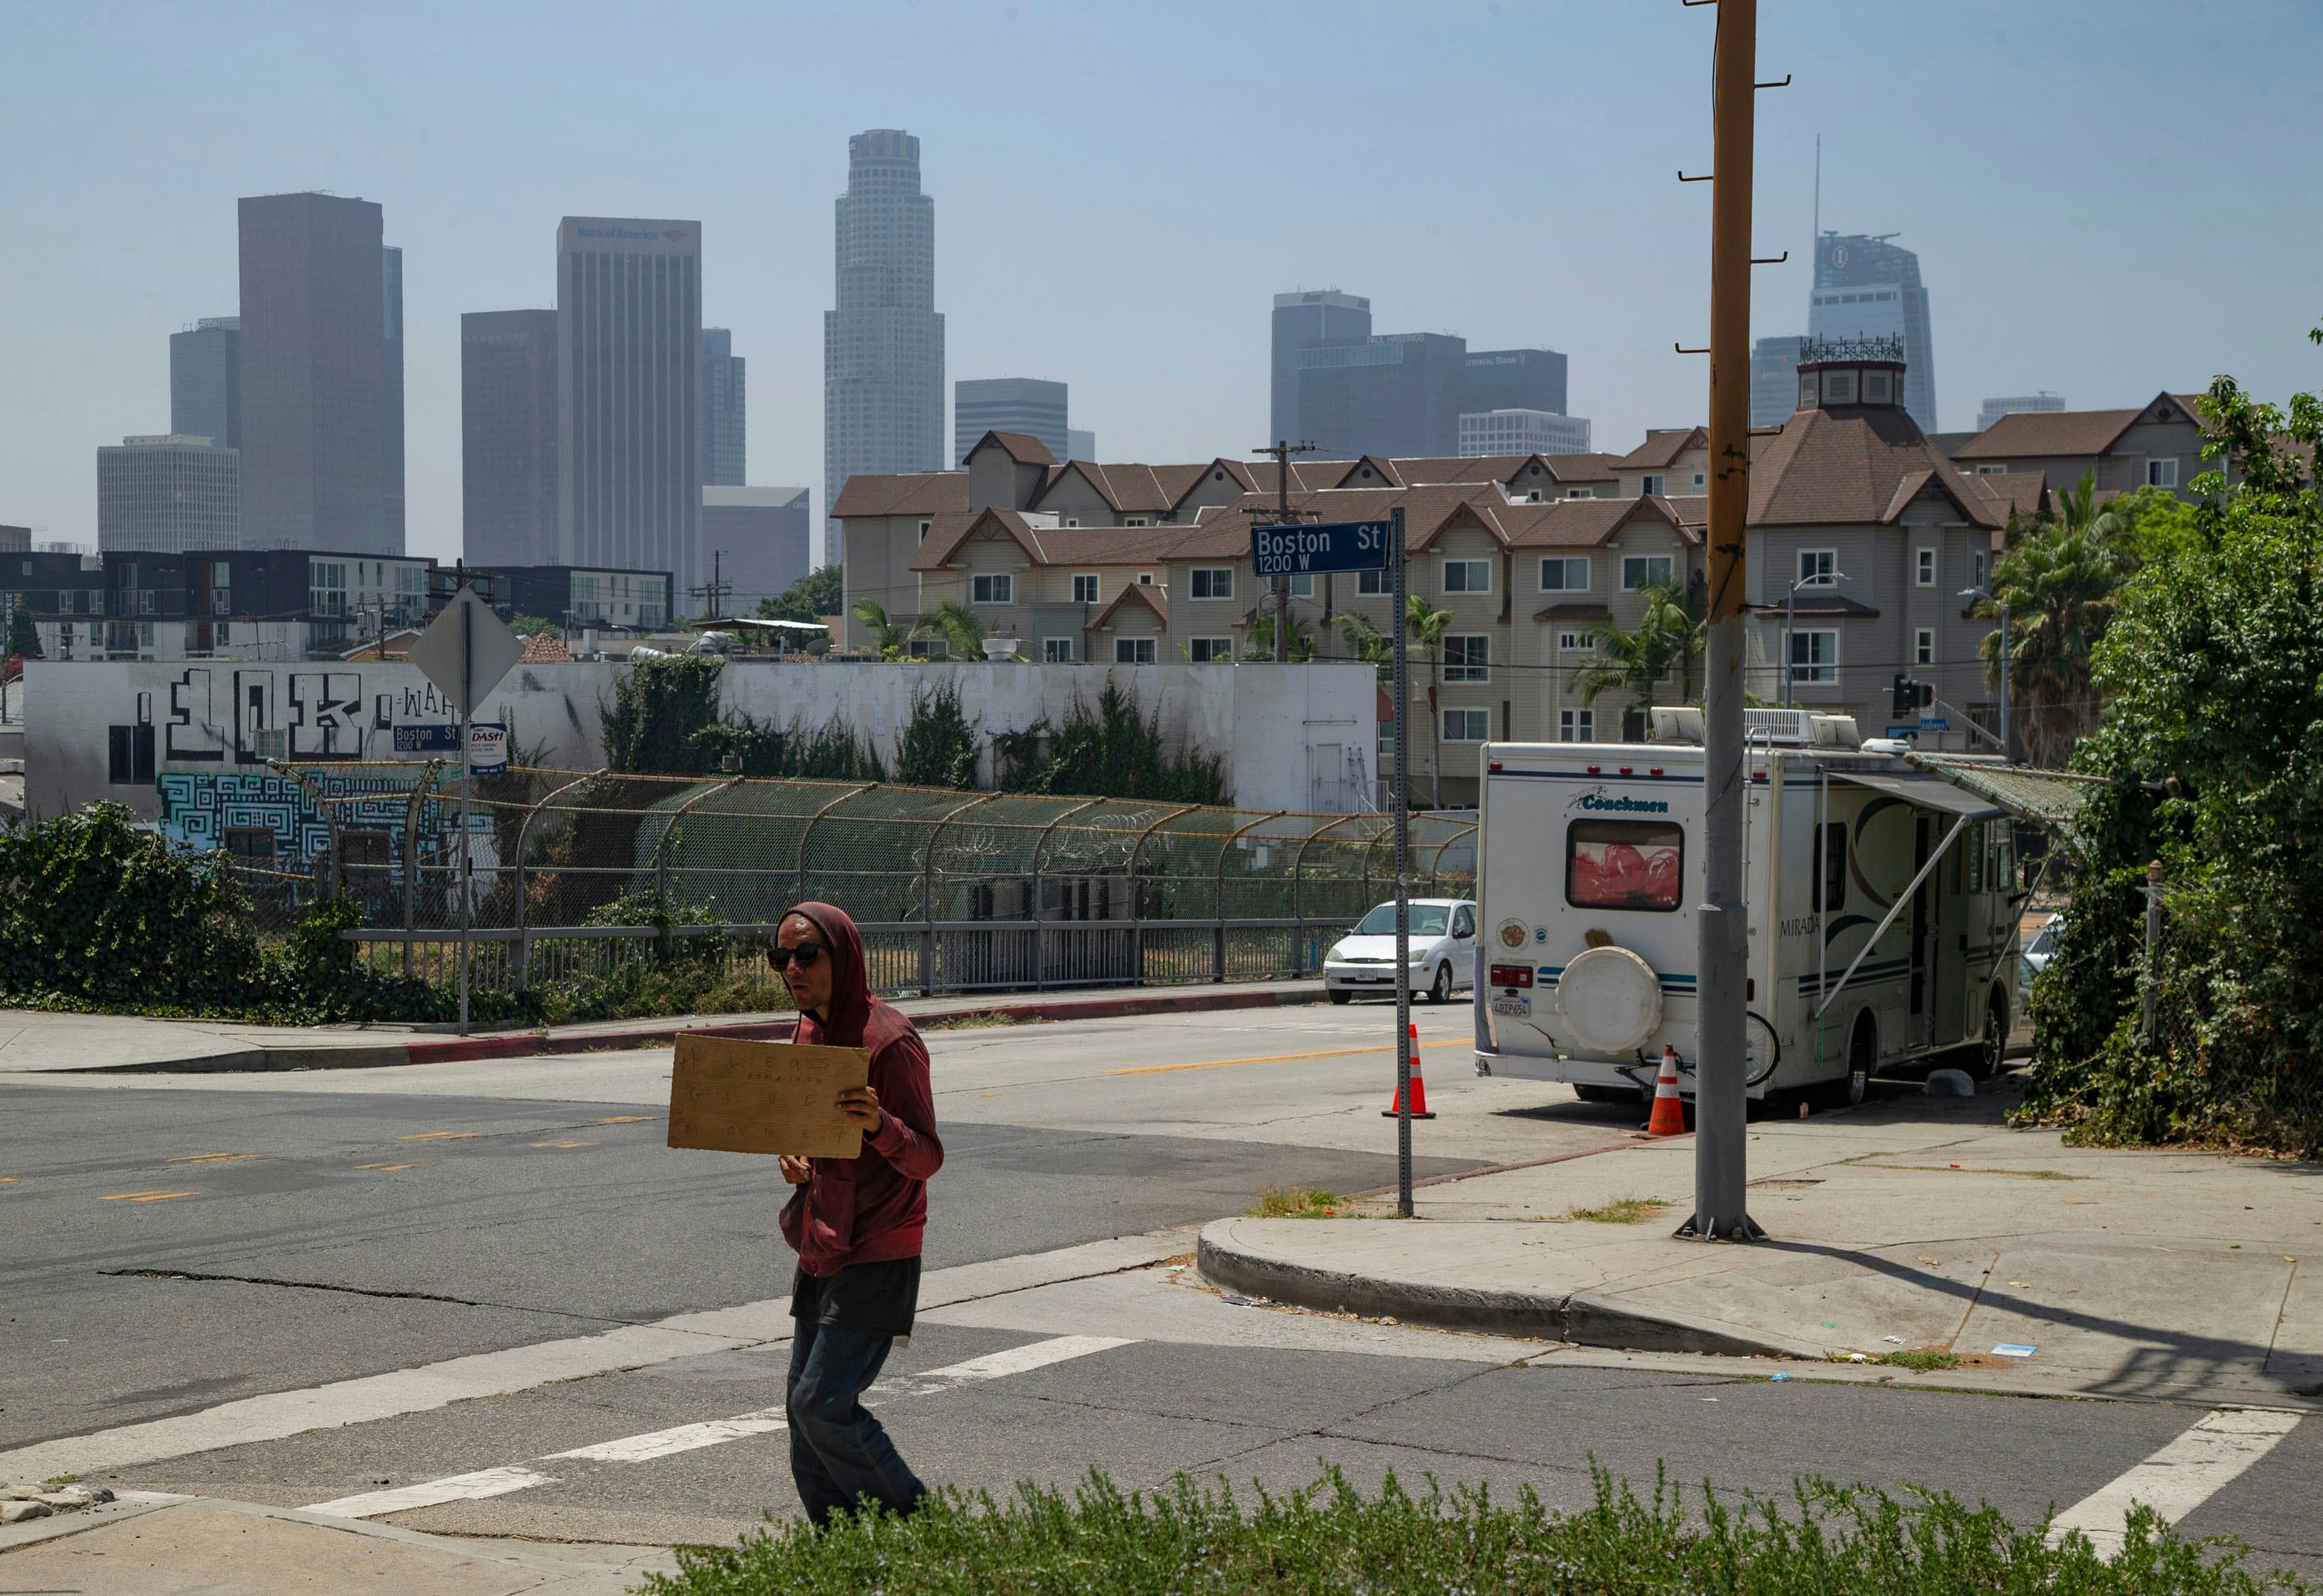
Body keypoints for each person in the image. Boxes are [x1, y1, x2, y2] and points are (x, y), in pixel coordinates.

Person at [773, 901, 944, 1525]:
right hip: (821, 1242)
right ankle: (839, 1547)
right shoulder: (807, 1031)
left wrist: (878, 1124)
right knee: (801, 1409)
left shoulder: (890, 1041)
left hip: (878, 1250)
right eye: (781, 958)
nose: (792, 968)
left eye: (807, 955)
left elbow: (926, 1158)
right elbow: (809, 1136)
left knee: (823, 1403)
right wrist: (794, 1160)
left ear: (843, 958)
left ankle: (917, 1526)